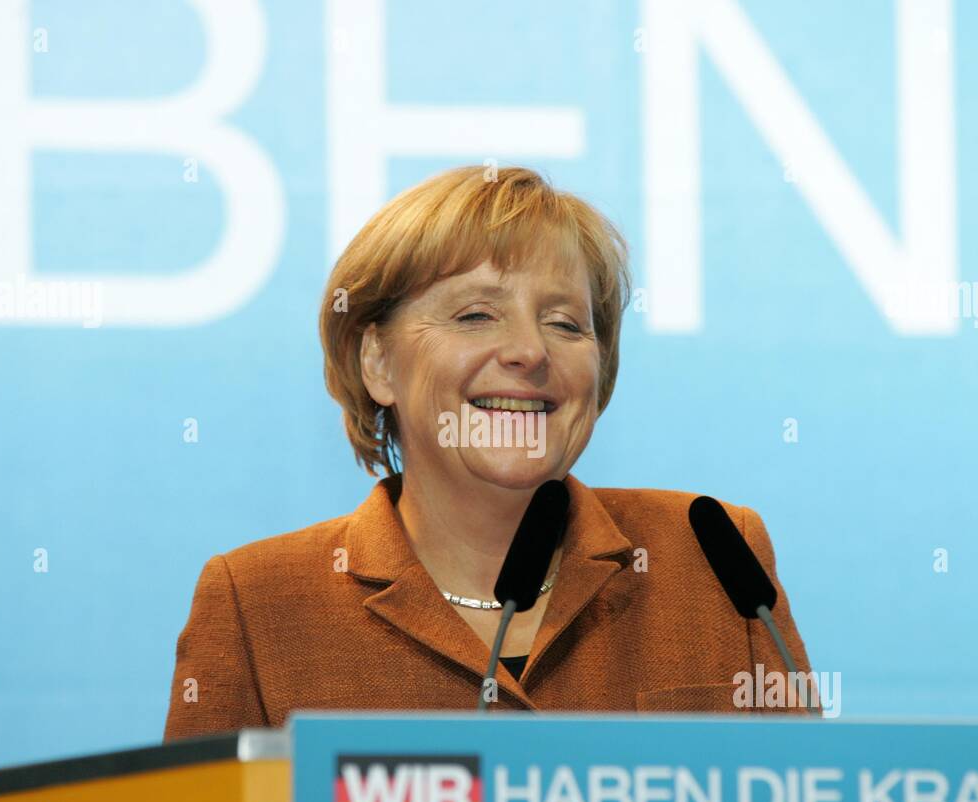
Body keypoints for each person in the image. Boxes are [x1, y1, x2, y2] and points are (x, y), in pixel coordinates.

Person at [164, 165, 817, 740]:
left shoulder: (714, 559)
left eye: (566, 323)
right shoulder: (256, 604)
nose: (530, 352)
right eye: (476, 315)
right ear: (378, 362)